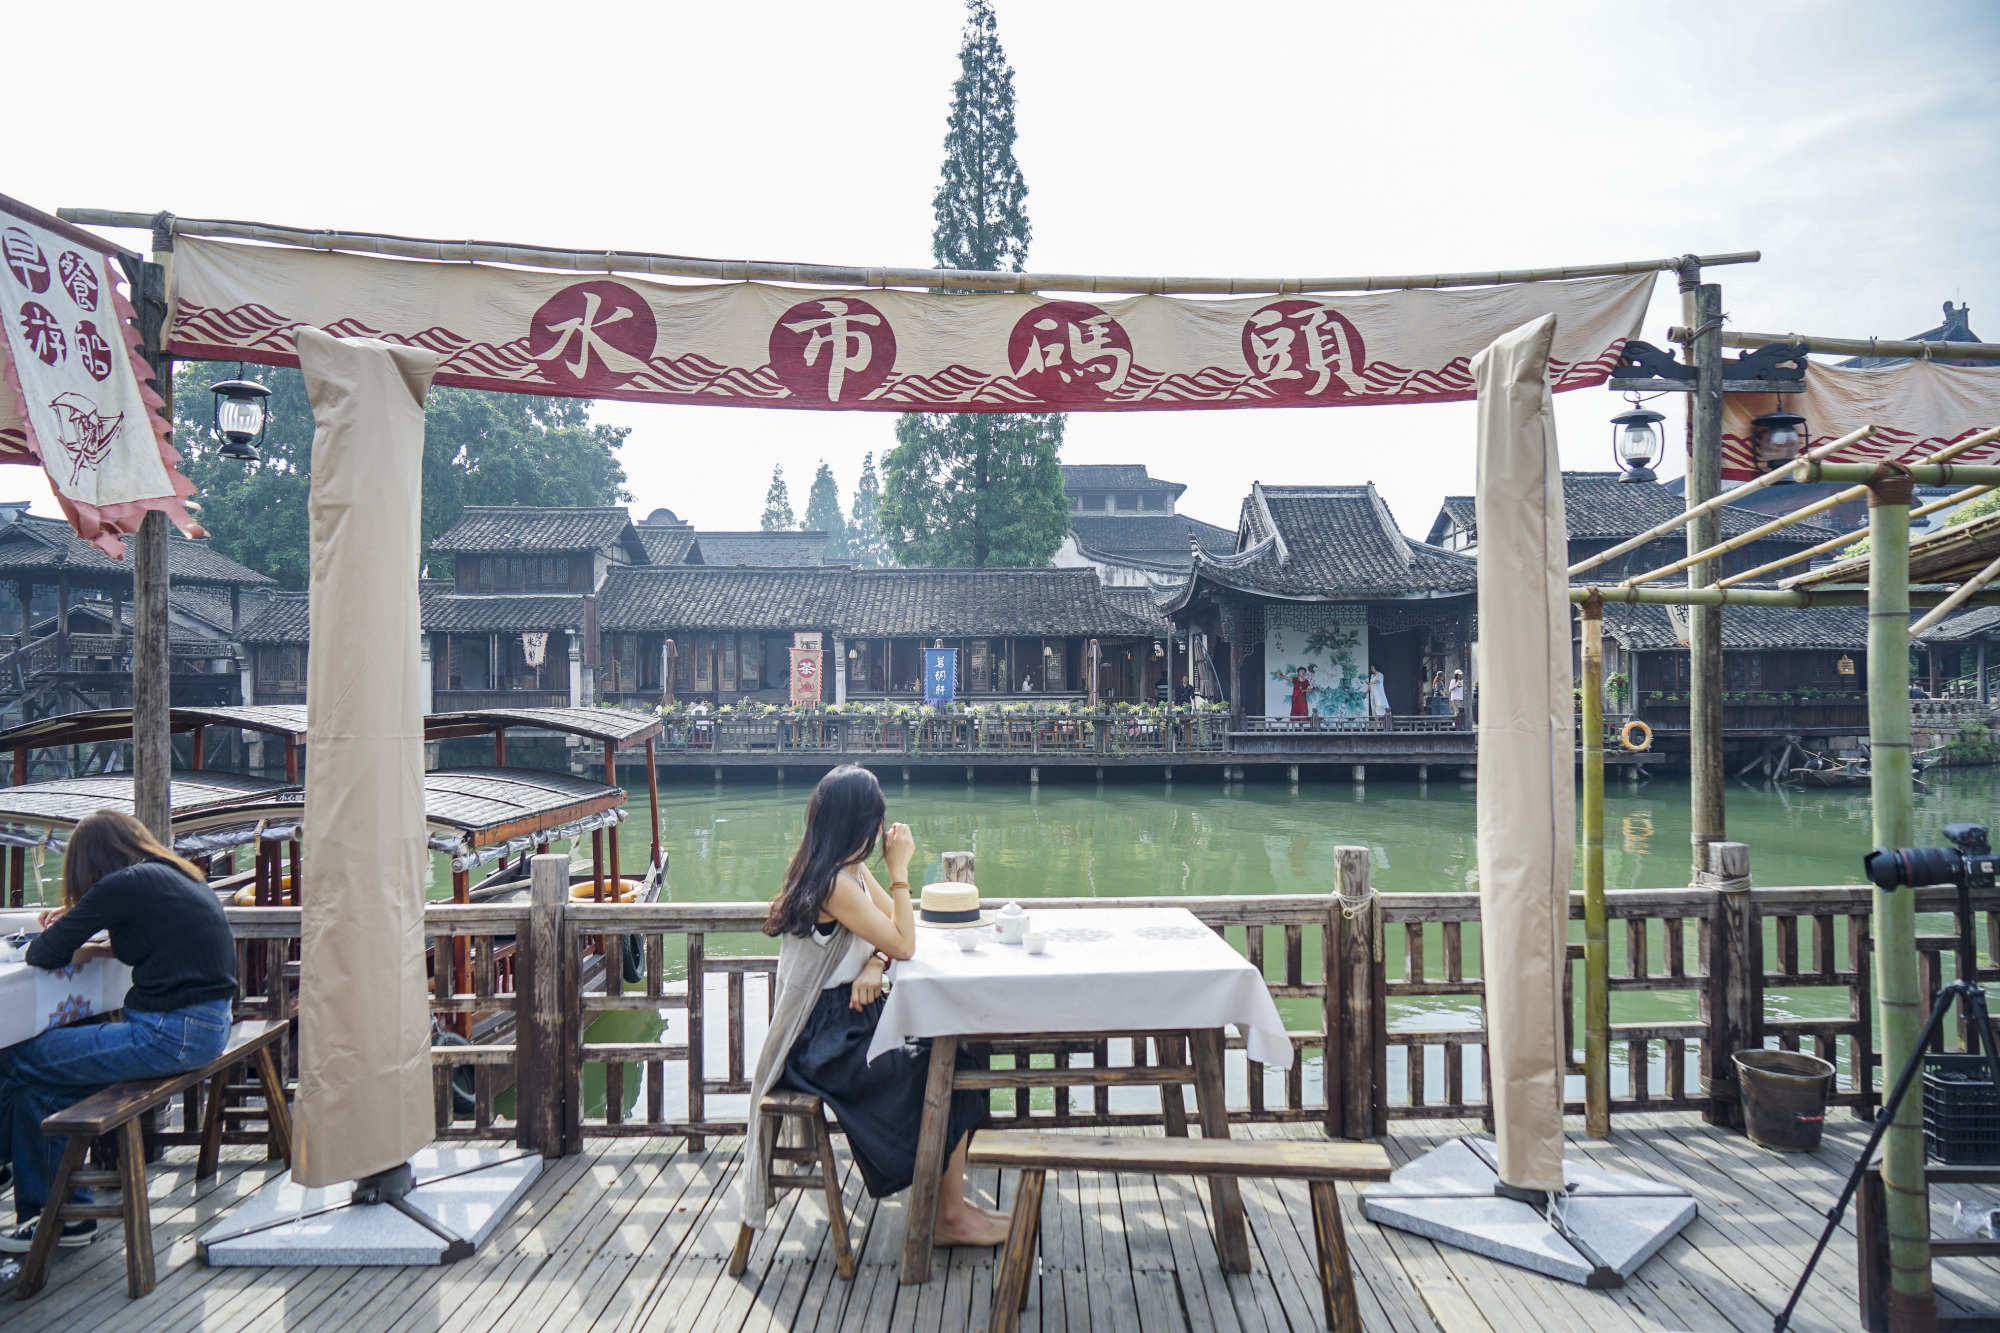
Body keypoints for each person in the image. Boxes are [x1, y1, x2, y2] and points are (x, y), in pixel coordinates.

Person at [739, 766, 1007, 1247]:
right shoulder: (834, 884)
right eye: (878, 819)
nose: (884, 831)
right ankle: (948, 1217)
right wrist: (899, 872)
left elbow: (899, 932)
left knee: (954, 1060)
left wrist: (875, 963)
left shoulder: (850, 872)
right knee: (945, 1071)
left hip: (850, 1023)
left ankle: (947, 1205)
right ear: (861, 822)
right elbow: (906, 941)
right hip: (824, 1041)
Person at [0, 811, 238, 1252]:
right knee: (39, 1092)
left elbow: (43, 953)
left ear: (88, 862)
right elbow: (146, 935)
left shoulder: (124, 885)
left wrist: (74, 923)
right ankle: (65, 1219)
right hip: (203, 1027)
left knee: (16, 1055)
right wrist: (83, 923)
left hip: (170, 1034)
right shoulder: (171, 874)